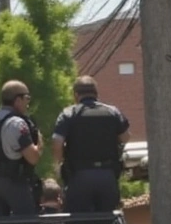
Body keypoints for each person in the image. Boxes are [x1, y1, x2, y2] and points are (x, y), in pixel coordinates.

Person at [52, 76, 131, 213]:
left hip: (79, 176)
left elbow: (57, 143)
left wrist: (58, 164)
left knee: (79, 223)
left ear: (76, 95)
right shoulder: (113, 112)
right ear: (96, 94)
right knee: (108, 221)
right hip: (107, 175)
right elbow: (125, 138)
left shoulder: (68, 114)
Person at [0, 80, 42, 217]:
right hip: (14, 182)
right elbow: (33, 158)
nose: (28, 103)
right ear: (17, 100)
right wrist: (39, 140)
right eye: (27, 98)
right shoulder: (17, 124)